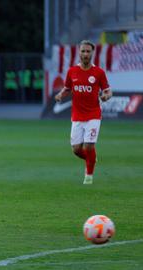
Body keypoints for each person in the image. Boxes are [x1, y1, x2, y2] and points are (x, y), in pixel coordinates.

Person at [55, 40, 113, 184]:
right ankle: (92, 159)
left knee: (88, 146)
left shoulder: (98, 72)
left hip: (93, 114)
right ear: (79, 53)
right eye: (83, 51)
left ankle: (88, 177)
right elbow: (67, 88)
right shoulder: (72, 71)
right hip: (77, 116)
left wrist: (106, 97)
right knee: (76, 149)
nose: (85, 54)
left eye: (88, 51)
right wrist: (60, 95)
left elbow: (108, 90)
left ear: (92, 53)